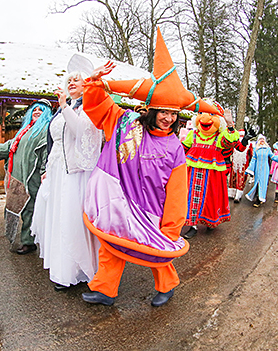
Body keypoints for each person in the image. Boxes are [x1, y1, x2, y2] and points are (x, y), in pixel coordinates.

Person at [80, 28, 220, 307]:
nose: (168, 118)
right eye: (163, 112)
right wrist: (94, 84)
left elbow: (178, 192)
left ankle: (167, 285)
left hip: (153, 212)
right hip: (121, 202)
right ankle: (105, 289)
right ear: (151, 110)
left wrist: (171, 228)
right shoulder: (124, 123)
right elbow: (98, 108)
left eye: (173, 113)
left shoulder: (175, 148)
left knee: (158, 251)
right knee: (113, 244)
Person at [31, 70, 102, 290]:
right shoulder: (65, 109)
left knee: (72, 217)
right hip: (57, 170)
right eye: (68, 80)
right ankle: (62, 268)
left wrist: (63, 106)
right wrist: (48, 169)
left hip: (76, 173)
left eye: (76, 80)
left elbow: (81, 131)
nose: (71, 83)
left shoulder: (88, 106)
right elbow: (54, 141)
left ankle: (79, 268)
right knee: (58, 217)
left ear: (86, 84)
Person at [0, 99, 52, 254]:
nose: (37, 112)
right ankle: (30, 239)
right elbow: (13, 144)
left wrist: (45, 172)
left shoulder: (45, 130)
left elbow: (46, 153)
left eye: (41, 110)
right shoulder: (26, 129)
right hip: (18, 176)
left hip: (32, 177)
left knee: (30, 209)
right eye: (35, 109)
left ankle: (29, 242)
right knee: (21, 208)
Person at [181, 107, 240, 238]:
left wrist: (230, 125)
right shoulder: (193, 135)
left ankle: (210, 221)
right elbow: (181, 149)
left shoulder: (219, 137)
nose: (205, 118)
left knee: (210, 198)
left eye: (212, 115)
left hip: (212, 175)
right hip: (193, 172)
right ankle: (193, 225)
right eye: (201, 114)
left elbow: (231, 142)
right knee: (191, 197)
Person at [245, 135, 278, 207]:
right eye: (260, 139)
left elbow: (273, 157)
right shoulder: (256, 149)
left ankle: (260, 199)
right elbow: (253, 160)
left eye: (263, 139)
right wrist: (249, 169)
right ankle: (256, 197)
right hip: (257, 169)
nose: (262, 140)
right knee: (257, 183)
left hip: (265, 169)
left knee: (263, 184)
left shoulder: (268, 149)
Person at [223, 129, 254, 203]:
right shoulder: (233, 142)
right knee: (232, 178)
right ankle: (232, 193)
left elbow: (251, 155)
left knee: (241, 179)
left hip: (243, 164)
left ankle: (238, 195)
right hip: (234, 162)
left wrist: (251, 166)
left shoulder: (249, 144)